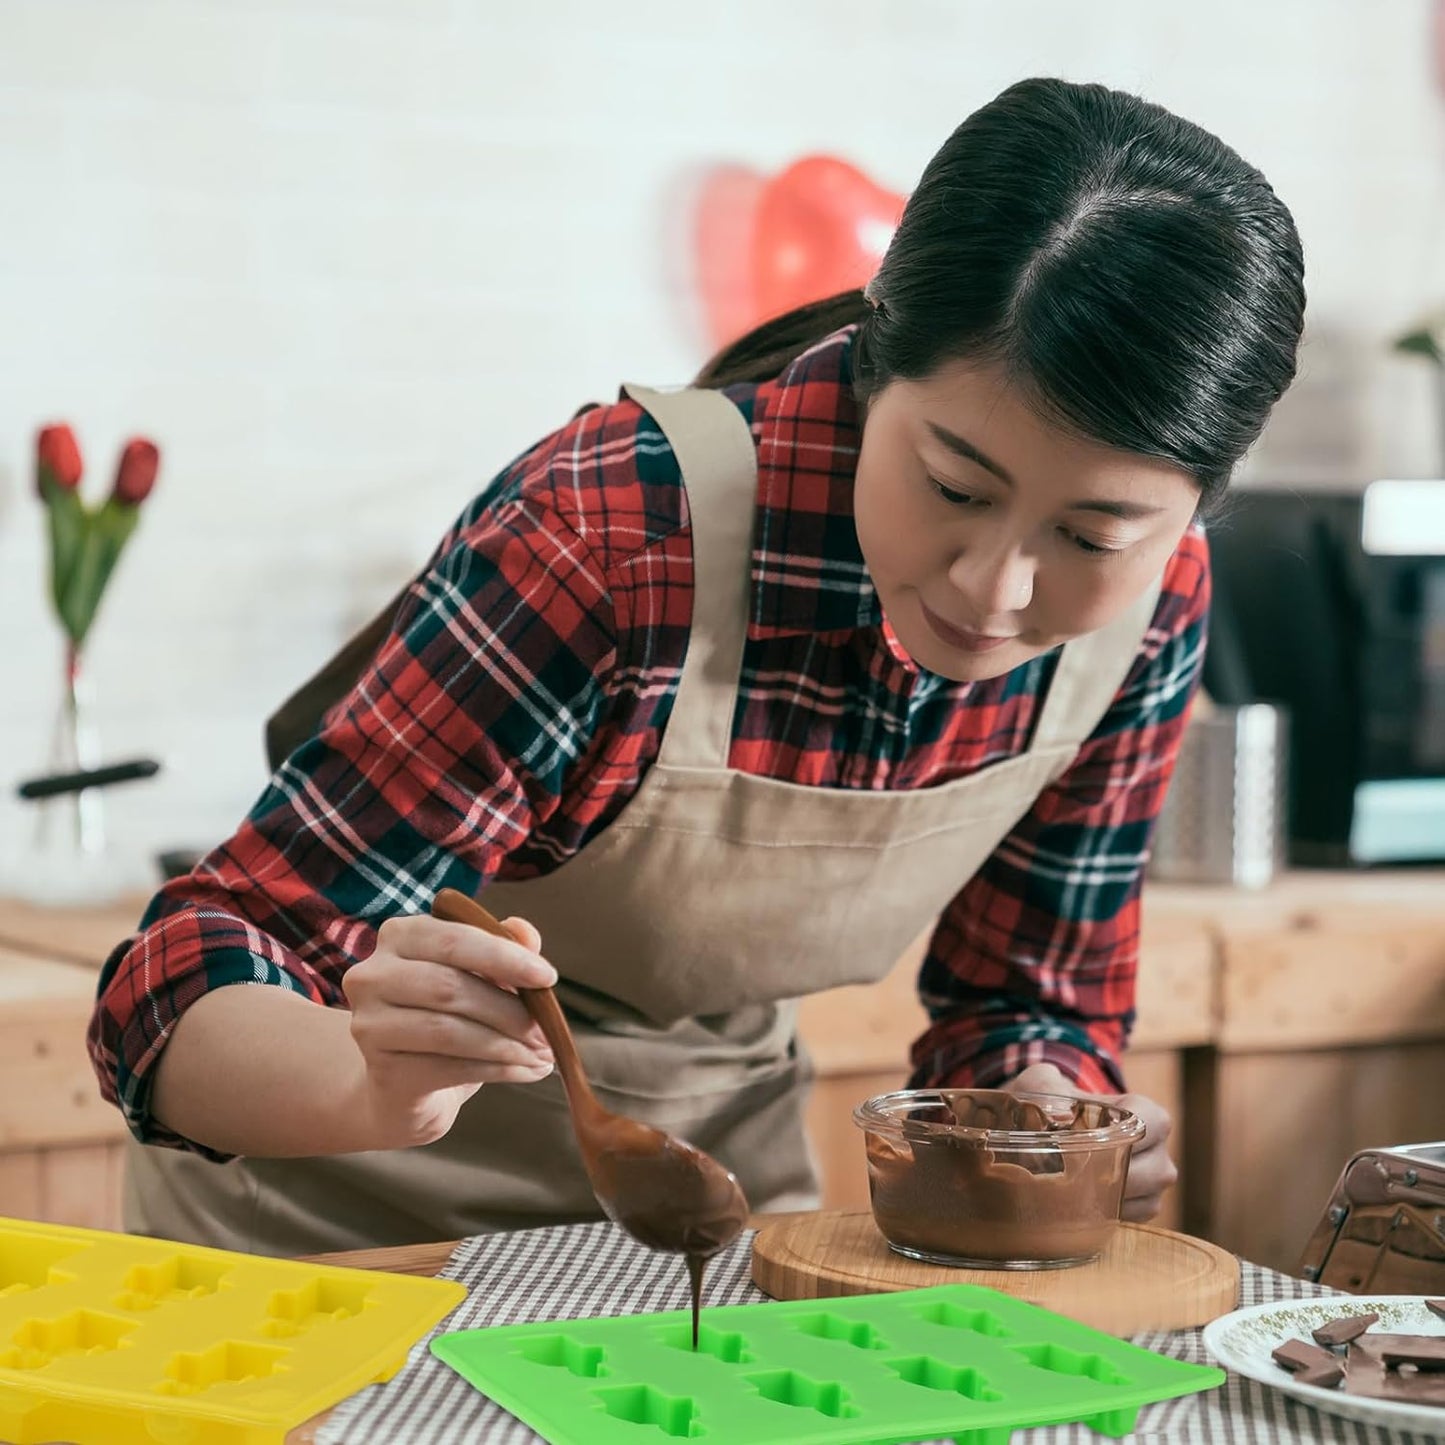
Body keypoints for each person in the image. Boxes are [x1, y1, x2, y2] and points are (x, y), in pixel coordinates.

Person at [88, 77, 1305, 1257]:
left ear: (1194, 511)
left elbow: (1024, 998)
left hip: (709, 1219)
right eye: (951, 486)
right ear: (879, 365)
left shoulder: (1149, 614)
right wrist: (369, 1077)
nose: (997, 588)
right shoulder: (616, 537)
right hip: (344, 1230)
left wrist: (1045, 1107)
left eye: (1092, 535)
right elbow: (186, 971)